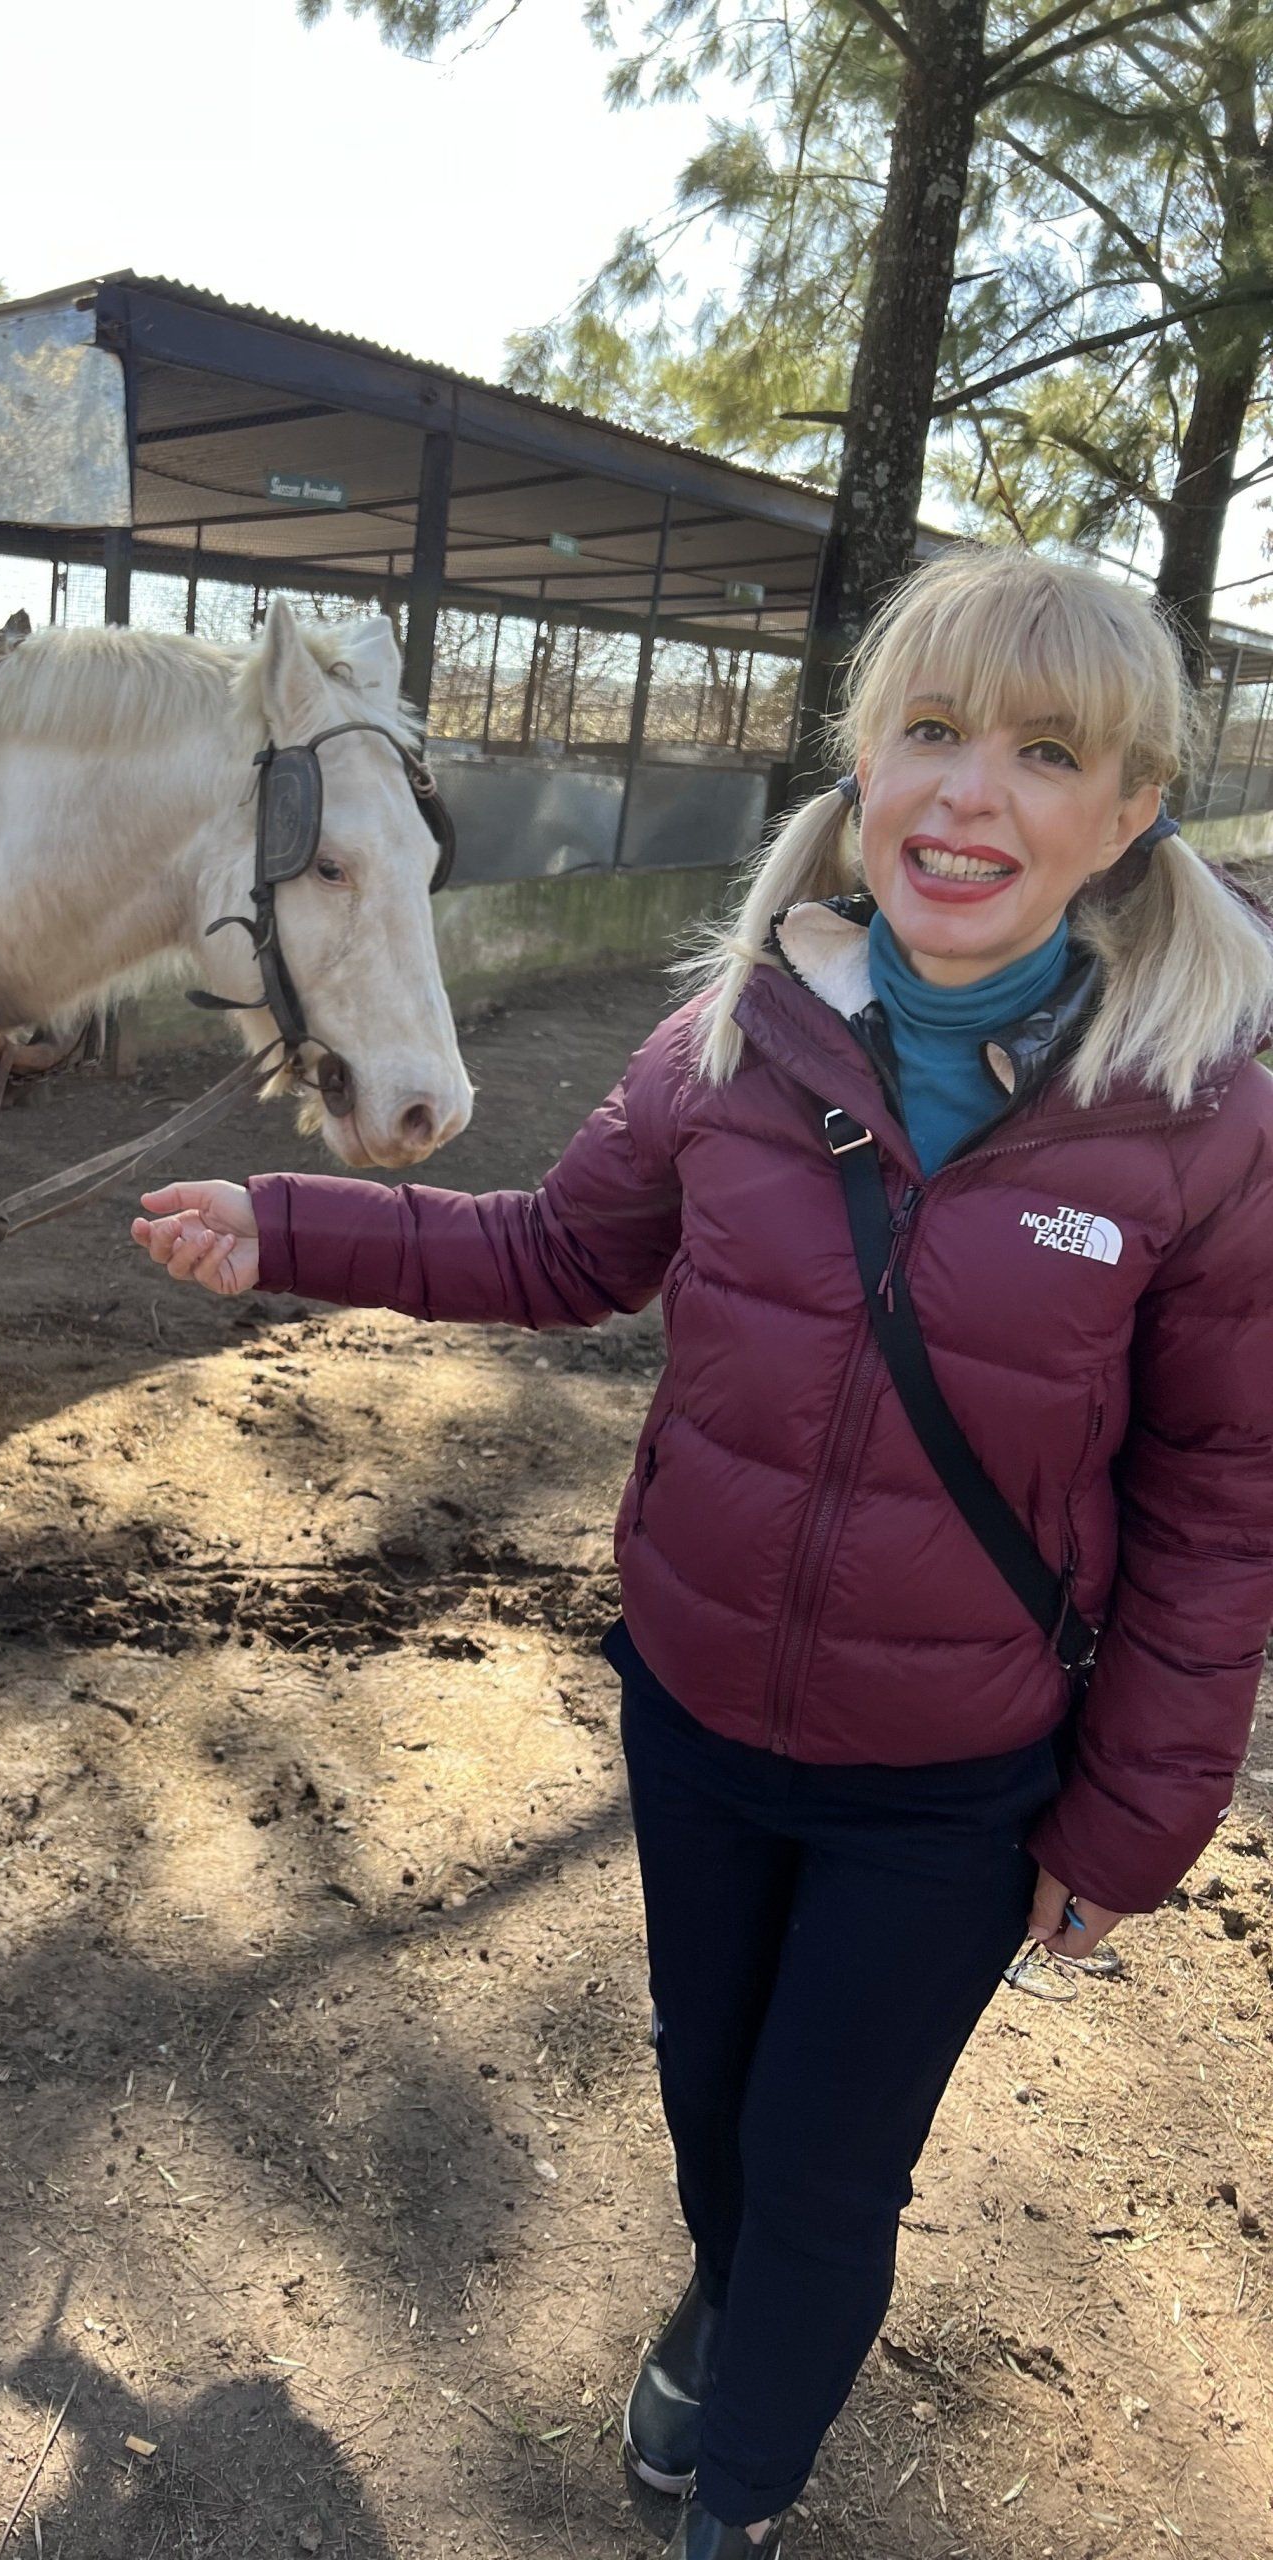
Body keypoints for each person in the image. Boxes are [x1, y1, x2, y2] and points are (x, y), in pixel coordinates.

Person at [128, 545, 1273, 2557]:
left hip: (954, 1783)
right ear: (862, 768)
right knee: (713, 2093)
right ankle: (731, 2302)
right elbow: (555, 1251)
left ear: (1128, 813)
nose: (969, 793)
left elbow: (1220, 1486)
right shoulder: (733, 1038)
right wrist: (290, 1221)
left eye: (1044, 752)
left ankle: (733, 2494)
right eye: (931, 732)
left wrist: (1136, 1817)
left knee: (831, 2165)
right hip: (701, 1719)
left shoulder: (1200, 1123)